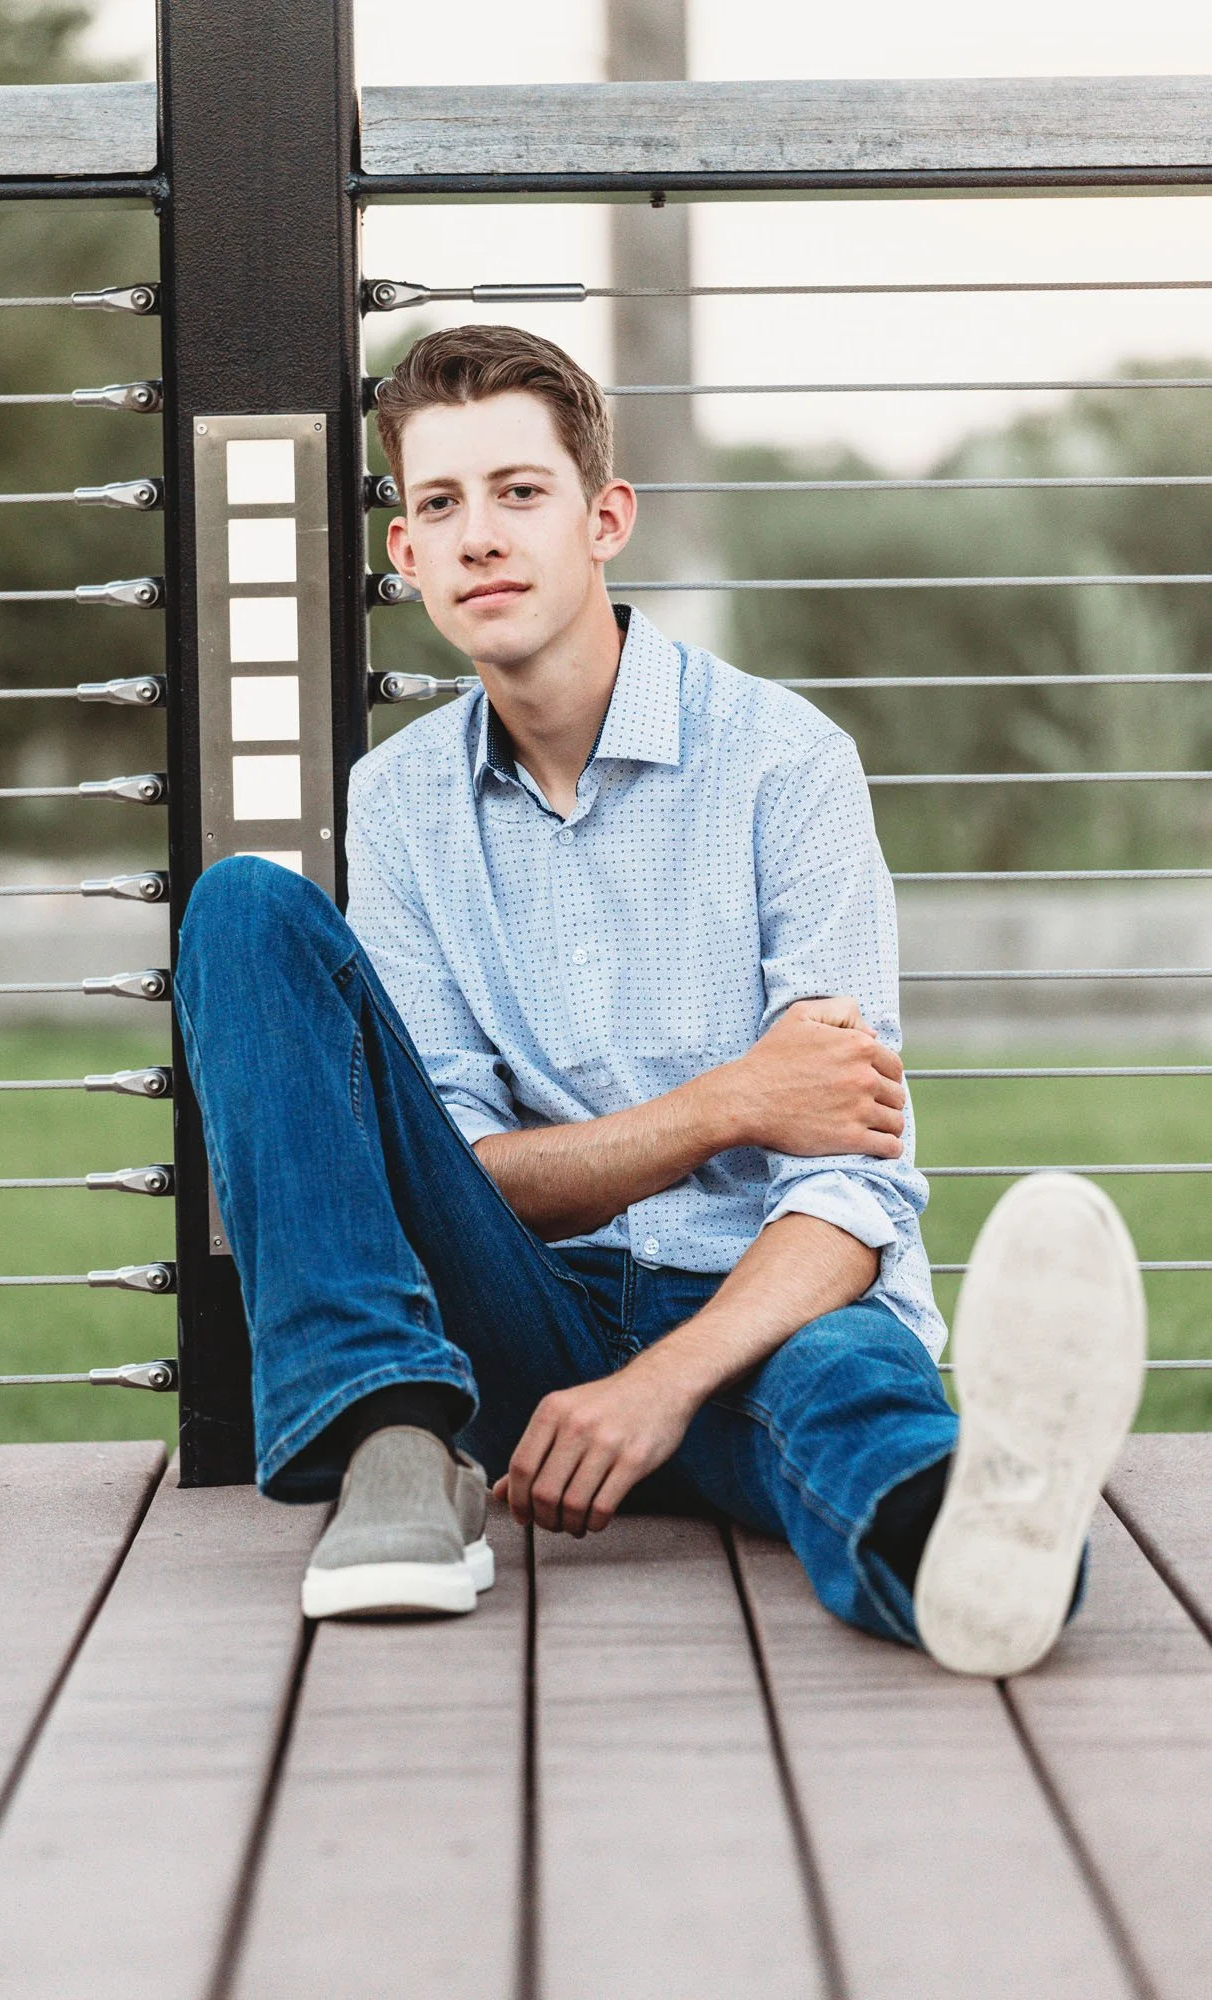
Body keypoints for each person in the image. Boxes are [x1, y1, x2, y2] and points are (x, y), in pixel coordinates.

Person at [175, 325, 1147, 1675]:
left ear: (603, 519)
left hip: (760, 1316)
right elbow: (455, 1177)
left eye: (520, 492)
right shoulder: (398, 804)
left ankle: (969, 1543)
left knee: (845, 1392)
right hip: (525, 1333)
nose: (477, 537)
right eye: (438, 505)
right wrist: (733, 1103)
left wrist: (656, 1387)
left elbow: (849, 1195)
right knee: (241, 911)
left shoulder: (785, 766)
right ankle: (395, 1449)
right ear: (404, 560)